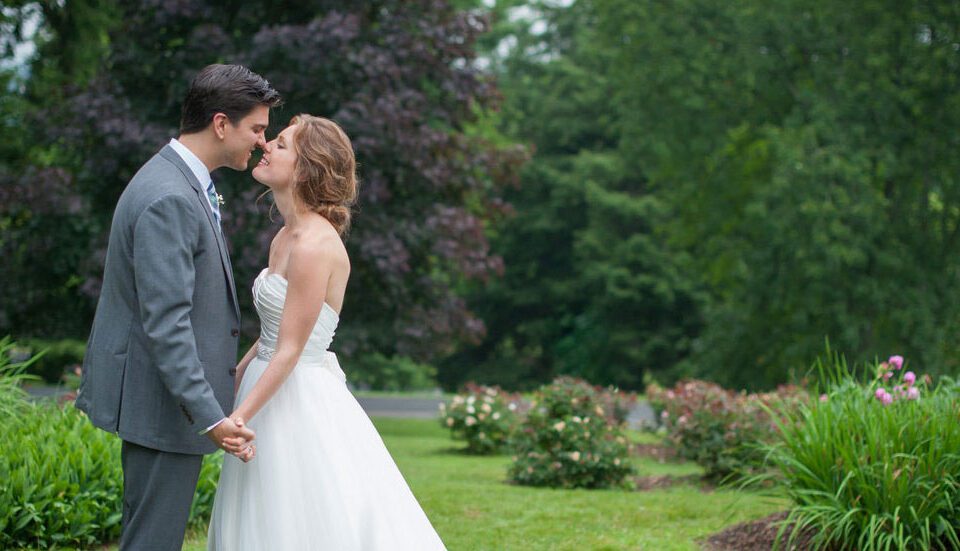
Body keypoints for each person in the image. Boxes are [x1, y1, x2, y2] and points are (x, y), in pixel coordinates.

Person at [207, 115, 446, 550]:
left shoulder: (315, 245)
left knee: (300, 515)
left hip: (296, 398)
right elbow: (271, 334)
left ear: (306, 167)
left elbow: (292, 349)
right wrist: (230, 389)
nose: (266, 147)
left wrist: (239, 419)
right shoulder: (283, 237)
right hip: (267, 383)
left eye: (280, 145)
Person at [75, 64, 282, 550]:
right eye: (256, 128)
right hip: (163, 406)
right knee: (152, 541)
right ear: (219, 124)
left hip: (163, 403)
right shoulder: (169, 196)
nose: (261, 142)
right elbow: (166, 324)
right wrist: (210, 416)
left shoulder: (178, 181)